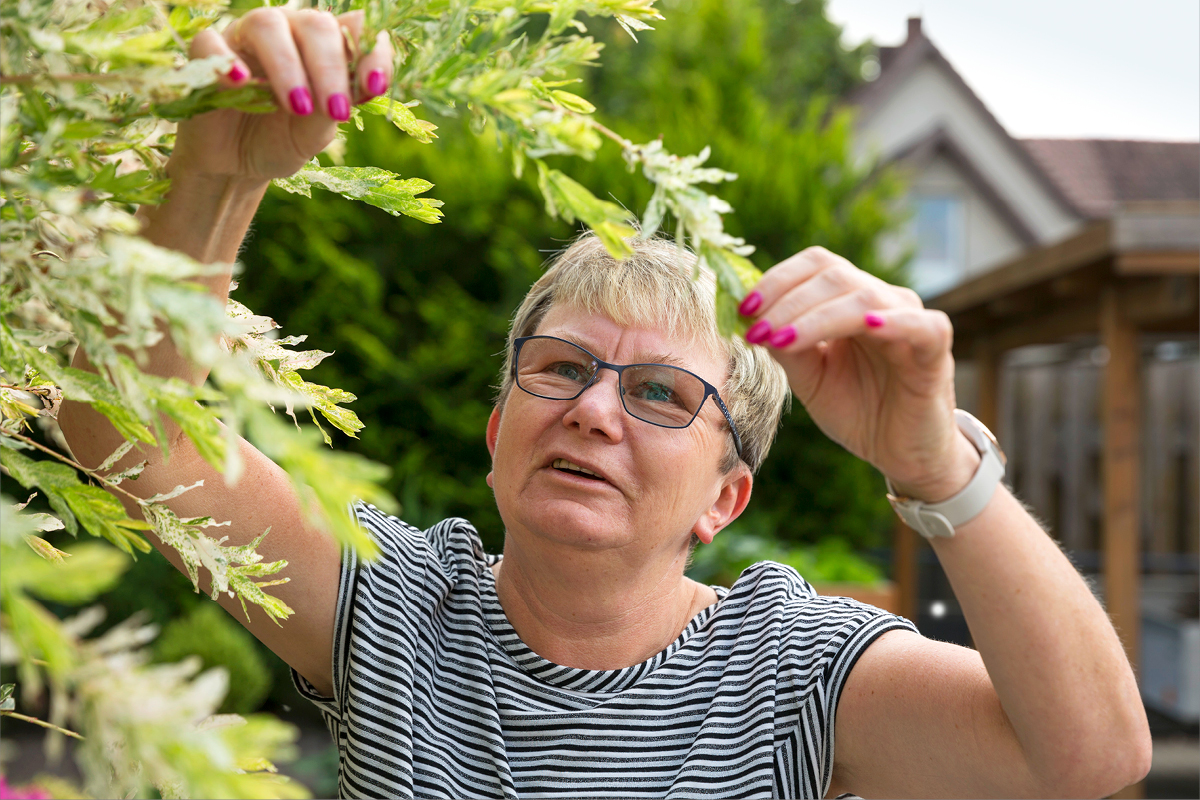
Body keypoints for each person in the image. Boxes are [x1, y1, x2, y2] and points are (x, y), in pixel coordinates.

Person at [58, 8, 1152, 799]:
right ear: (499, 433)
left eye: (662, 393)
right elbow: (119, 432)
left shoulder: (794, 673)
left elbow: (1089, 757)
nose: (593, 409)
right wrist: (217, 174)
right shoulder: (391, 612)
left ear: (724, 497)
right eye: (562, 366)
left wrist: (934, 467)